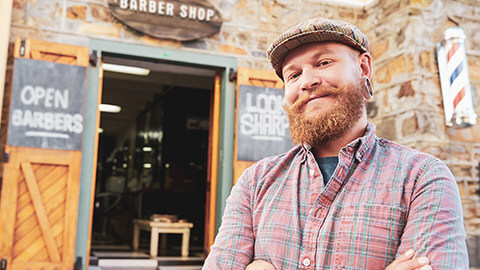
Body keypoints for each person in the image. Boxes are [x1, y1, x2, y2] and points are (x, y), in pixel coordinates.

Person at [203, 17, 469, 269]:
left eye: (323, 63)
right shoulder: (255, 183)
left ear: (364, 68)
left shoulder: (422, 178)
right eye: (293, 75)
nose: (307, 81)